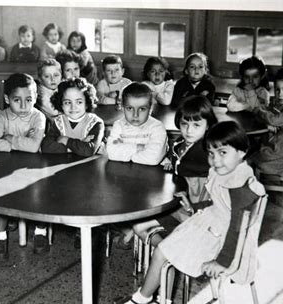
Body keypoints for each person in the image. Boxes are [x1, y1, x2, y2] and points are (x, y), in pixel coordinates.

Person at [113, 121, 265, 304]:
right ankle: (162, 303)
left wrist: (221, 262)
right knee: (166, 237)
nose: (216, 160)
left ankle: (142, 298)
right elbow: (217, 204)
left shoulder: (239, 187)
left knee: (162, 251)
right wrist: (194, 207)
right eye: (211, 153)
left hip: (219, 240)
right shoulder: (234, 173)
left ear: (242, 152)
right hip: (212, 225)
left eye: (223, 153)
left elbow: (238, 229)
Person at [133, 95, 217, 247]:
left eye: (196, 125)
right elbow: (176, 159)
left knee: (140, 222)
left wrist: (174, 164)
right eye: (184, 124)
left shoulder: (207, 150)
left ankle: (168, 254)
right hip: (175, 204)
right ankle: (167, 253)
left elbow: (185, 167)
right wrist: (170, 161)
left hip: (194, 212)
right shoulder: (179, 142)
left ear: (208, 125)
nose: (189, 130)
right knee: (139, 223)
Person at [0, 73, 46, 259]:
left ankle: (40, 232)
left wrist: (9, 138)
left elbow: (34, 147)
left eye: (29, 99)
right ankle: (0, 236)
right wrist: (21, 144)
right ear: (6, 99)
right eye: (17, 100)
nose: (23, 105)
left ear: (36, 98)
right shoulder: (3, 117)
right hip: (9, 168)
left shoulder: (38, 117)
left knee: (39, 197)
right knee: (3, 197)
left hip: (34, 169)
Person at [40, 78, 104, 249]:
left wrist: (66, 140)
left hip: (91, 172)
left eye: (79, 102)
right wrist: (76, 146)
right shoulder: (57, 121)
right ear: (60, 103)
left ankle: (83, 229)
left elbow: (88, 151)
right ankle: (47, 226)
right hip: (64, 170)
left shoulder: (95, 122)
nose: (73, 107)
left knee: (86, 192)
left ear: (87, 102)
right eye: (67, 102)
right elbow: (46, 147)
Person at [106, 82, 168, 249]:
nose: (135, 115)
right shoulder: (119, 125)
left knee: (138, 204)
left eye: (142, 109)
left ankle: (133, 230)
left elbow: (154, 158)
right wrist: (139, 148)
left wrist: (124, 149)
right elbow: (111, 152)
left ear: (151, 108)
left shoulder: (157, 127)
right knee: (112, 199)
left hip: (152, 182)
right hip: (124, 177)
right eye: (129, 108)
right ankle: (129, 229)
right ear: (122, 107)